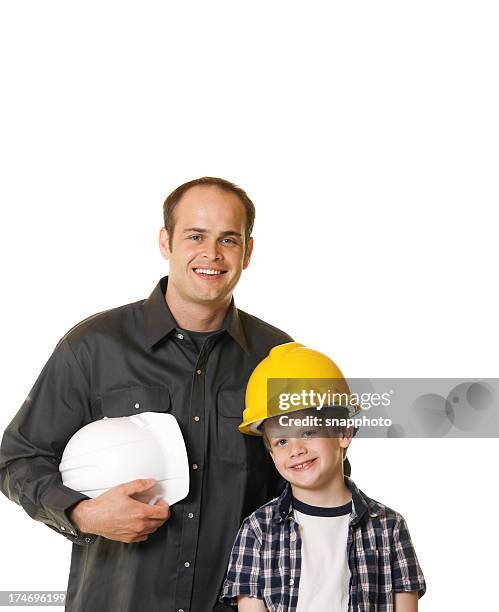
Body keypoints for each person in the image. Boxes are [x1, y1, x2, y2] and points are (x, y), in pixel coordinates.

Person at [0, 177, 294, 612]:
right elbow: (18, 459)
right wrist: (83, 514)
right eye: (196, 236)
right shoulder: (94, 346)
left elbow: (315, 484)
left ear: (248, 252)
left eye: (228, 239)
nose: (211, 254)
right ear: (166, 241)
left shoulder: (278, 360)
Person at [220, 343, 426, 611]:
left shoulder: (389, 528)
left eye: (308, 432)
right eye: (282, 441)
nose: (296, 450)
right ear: (270, 453)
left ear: (344, 433)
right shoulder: (258, 530)